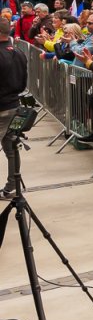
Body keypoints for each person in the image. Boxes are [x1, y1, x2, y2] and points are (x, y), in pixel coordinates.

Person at [0, 19, 28, 199]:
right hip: (13, 104)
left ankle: (11, 186)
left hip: (3, 107)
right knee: (11, 147)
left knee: (11, 147)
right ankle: (12, 186)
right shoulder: (19, 52)